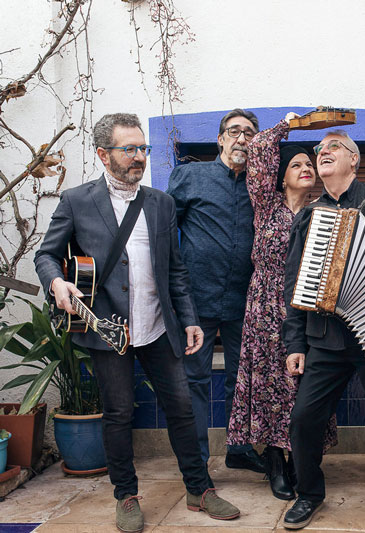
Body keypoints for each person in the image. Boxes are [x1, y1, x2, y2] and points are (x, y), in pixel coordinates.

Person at [34, 113, 240, 533]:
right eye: (129, 149)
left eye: (143, 149)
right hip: (106, 330)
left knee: (182, 410)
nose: (139, 157)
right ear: (103, 154)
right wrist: (56, 282)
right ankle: (125, 495)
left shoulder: (161, 202)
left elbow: (175, 270)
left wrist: (189, 320)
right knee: (119, 413)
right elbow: (46, 254)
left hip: (159, 329)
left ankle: (199, 489)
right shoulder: (77, 200)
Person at [281, 130, 365, 529]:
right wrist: (295, 342)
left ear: (354, 160)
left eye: (332, 148)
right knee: (304, 418)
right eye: (319, 149)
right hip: (325, 338)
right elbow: (294, 283)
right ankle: (308, 493)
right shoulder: (309, 214)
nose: (322, 153)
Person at [226, 114, 337, 501]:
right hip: (265, 309)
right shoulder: (265, 203)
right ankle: (275, 462)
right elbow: (256, 148)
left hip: (307, 312)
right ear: (282, 175)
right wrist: (288, 127)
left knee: (304, 390)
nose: (306, 168)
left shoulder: (324, 209)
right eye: (297, 164)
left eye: (310, 164)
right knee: (271, 390)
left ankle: (301, 461)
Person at [166, 108, 268, 474]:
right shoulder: (190, 176)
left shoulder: (262, 187)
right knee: (194, 380)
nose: (243, 138)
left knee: (244, 379)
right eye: (235, 131)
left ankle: (239, 449)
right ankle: (197, 463)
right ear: (221, 138)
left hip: (246, 302)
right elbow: (165, 236)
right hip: (196, 302)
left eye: (250, 133)